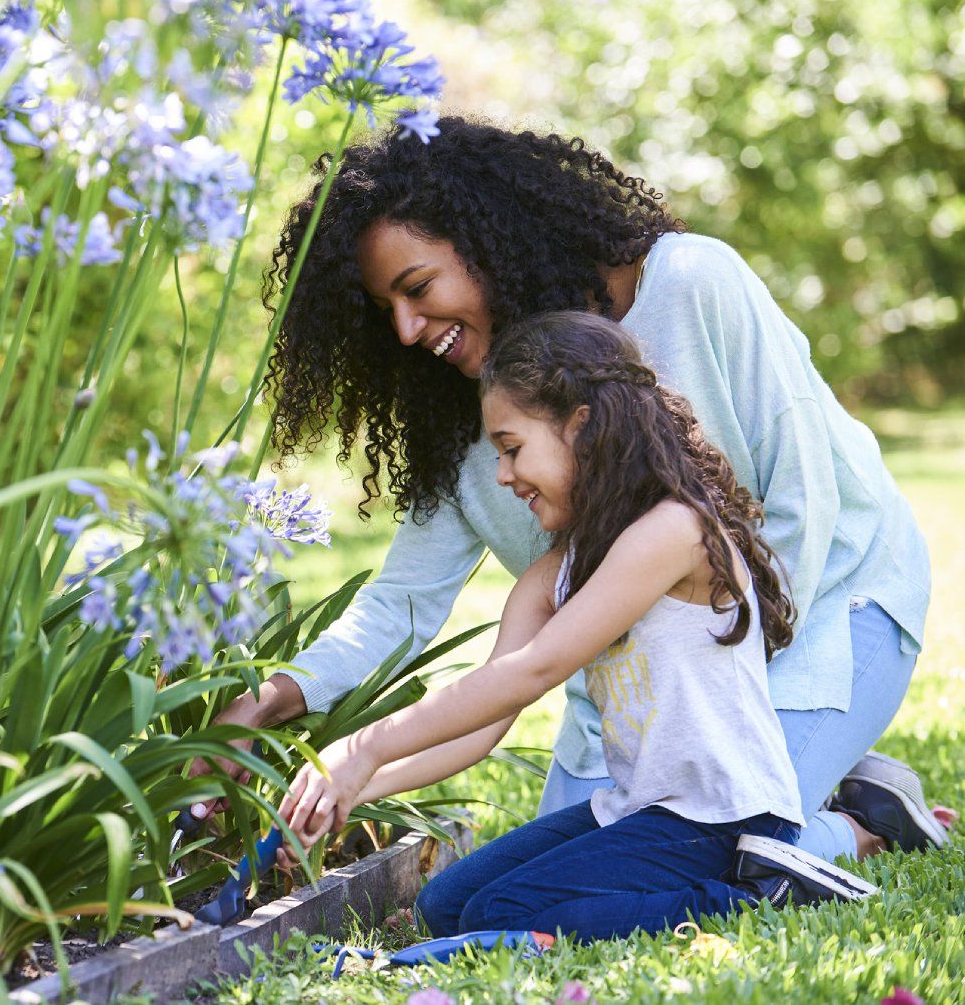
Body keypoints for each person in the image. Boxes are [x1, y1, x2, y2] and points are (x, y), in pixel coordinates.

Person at [189, 117, 944, 863]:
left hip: (830, 610)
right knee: (567, 864)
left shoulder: (687, 283)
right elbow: (401, 604)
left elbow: (803, 503)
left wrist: (728, 713)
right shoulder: (469, 420)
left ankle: (859, 825)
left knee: (717, 850)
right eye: (386, 310)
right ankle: (840, 785)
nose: (408, 329)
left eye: (418, 289)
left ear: (488, 241)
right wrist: (271, 699)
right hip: (643, 685)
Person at [277, 312, 878, 941]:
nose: (503, 474)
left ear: (581, 426)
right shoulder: (554, 572)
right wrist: (353, 789)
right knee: (446, 907)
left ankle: (770, 894)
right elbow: (484, 720)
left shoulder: (675, 531)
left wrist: (363, 746)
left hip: (724, 821)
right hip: (638, 811)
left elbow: (534, 671)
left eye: (512, 448)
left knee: (498, 916)